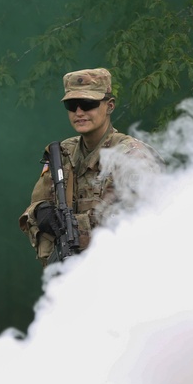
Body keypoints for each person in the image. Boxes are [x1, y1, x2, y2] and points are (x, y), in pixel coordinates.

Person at [18, 67, 162, 266]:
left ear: (109, 106)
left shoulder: (133, 156)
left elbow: (140, 221)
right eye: (72, 105)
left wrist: (76, 226)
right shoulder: (62, 154)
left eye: (88, 104)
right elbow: (34, 208)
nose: (79, 112)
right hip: (72, 276)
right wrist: (41, 211)